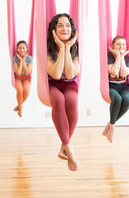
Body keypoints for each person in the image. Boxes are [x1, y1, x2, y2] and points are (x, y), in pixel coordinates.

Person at [47, 13, 79, 171]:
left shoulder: (76, 46)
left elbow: (72, 74)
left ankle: (64, 145)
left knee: (72, 101)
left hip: (70, 84)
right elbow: (55, 74)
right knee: (59, 101)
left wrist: (67, 47)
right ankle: (69, 148)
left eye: (67, 25)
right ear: (54, 29)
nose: (64, 28)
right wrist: (60, 47)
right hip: (52, 84)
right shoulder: (47, 46)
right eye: (60, 25)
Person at [102, 36, 129, 143]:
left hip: (124, 87)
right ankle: (112, 128)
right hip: (111, 87)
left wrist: (122, 57)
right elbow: (114, 72)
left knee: (127, 100)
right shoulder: (109, 56)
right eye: (118, 44)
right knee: (117, 99)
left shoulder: (128, 59)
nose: (121, 46)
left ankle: (110, 124)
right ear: (113, 46)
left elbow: (123, 73)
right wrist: (118, 57)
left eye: (123, 44)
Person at [12, 41, 33, 117]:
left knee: (26, 91)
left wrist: (24, 60)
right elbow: (18, 72)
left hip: (27, 78)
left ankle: (19, 106)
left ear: (27, 49)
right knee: (20, 90)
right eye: (20, 48)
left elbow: (27, 72)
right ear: (17, 49)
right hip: (18, 78)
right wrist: (21, 61)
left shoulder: (30, 59)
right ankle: (21, 109)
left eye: (23, 48)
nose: (22, 50)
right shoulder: (14, 59)